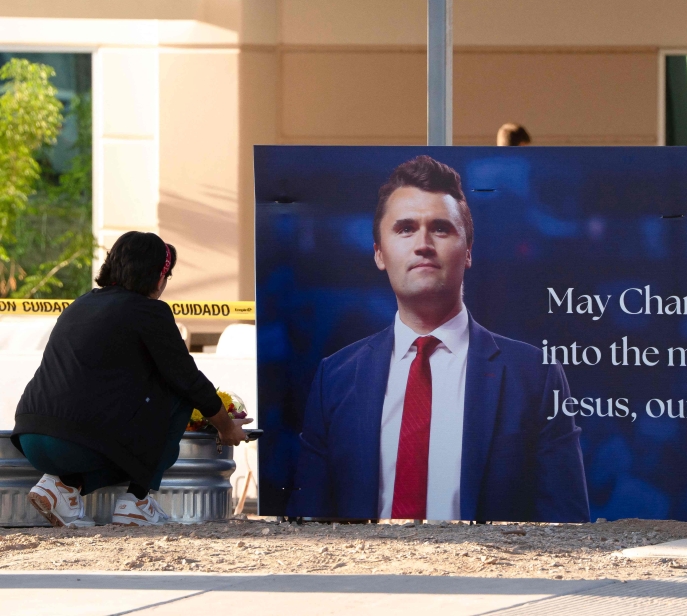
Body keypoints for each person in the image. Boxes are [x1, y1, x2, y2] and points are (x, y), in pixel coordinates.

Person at [288, 156, 589, 523]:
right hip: (366, 578)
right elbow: (308, 526)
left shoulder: (535, 377)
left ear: (468, 252)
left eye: (441, 229)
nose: (423, 244)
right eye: (405, 229)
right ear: (379, 253)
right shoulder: (335, 378)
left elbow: (568, 530)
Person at [12, 232, 251, 527]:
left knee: (115, 430)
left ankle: (63, 486)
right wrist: (226, 427)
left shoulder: (81, 303)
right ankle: (137, 500)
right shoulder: (149, 311)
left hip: (30, 436)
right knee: (174, 391)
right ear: (157, 278)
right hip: (76, 444)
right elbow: (187, 379)